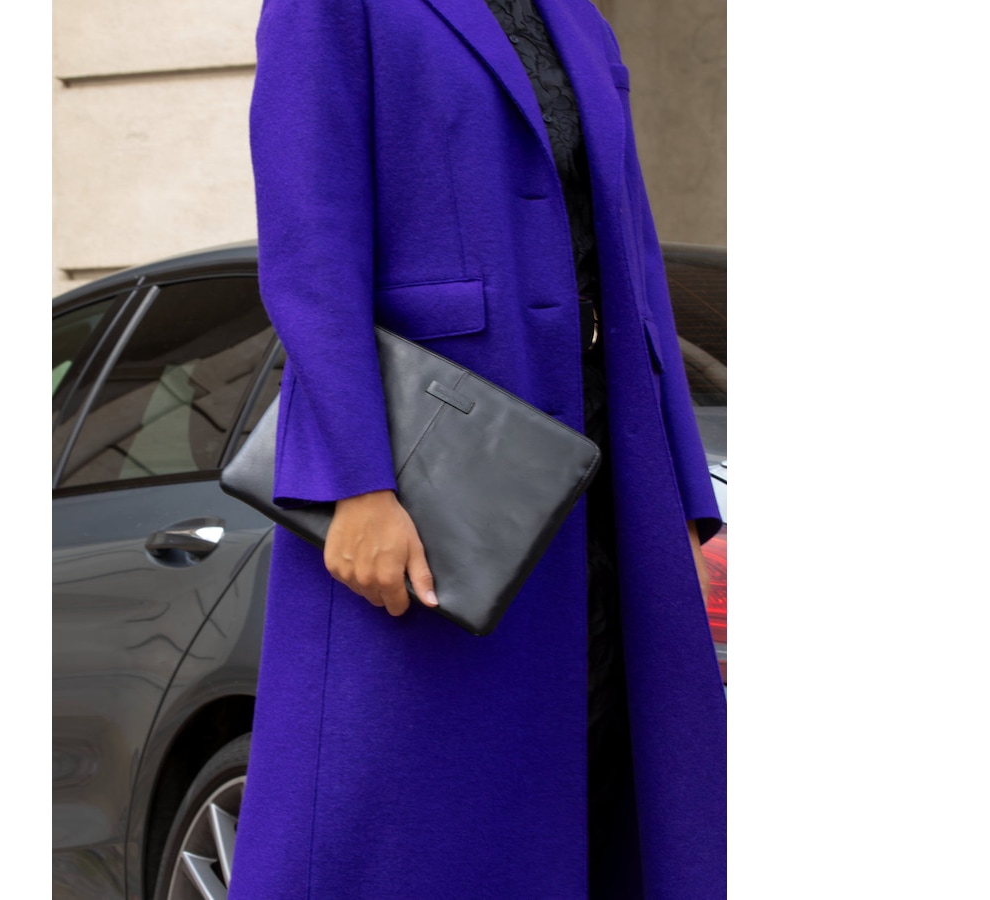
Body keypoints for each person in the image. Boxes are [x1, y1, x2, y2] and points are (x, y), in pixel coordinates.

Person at [228, 0, 726, 896]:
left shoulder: (576, 17)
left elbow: (637, 268)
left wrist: (685, 507)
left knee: (612, 808)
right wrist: (356, 482)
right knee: (419, 837)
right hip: (436, 492)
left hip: (610, 493)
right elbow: (310, 253)